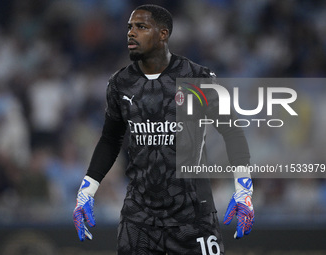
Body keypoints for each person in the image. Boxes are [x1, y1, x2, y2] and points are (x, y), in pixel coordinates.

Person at [73, 4, 254, 255]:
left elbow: (232, 131)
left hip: (193, 216)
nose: (131, 33)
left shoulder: (197, 77)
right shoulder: (120, 83)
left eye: (141, 27)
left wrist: (244, 188)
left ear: (163, 34)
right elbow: (110, 140)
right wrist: (87, 191)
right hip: (138, 220)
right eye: (129, 27)